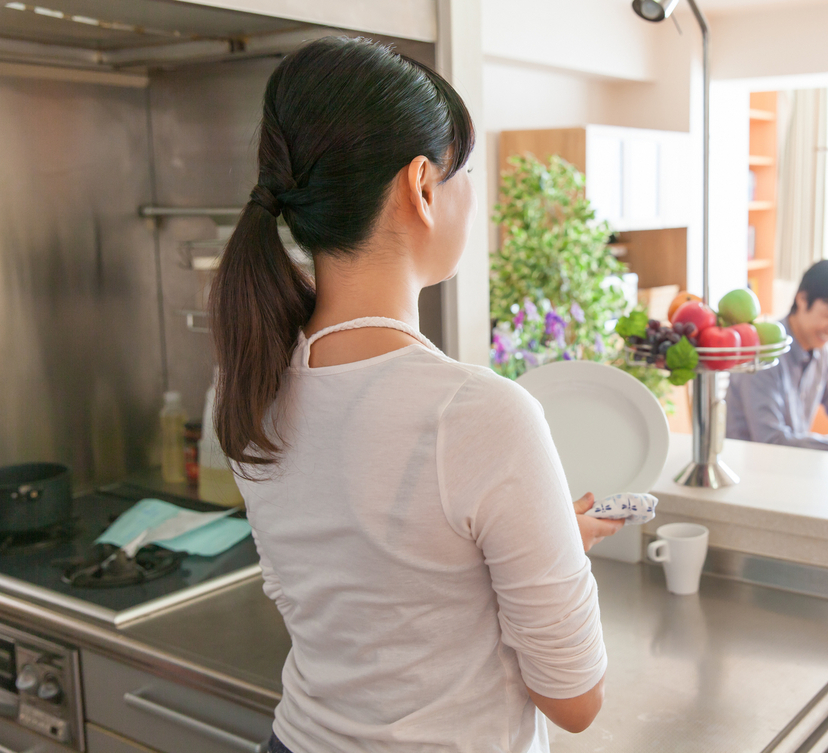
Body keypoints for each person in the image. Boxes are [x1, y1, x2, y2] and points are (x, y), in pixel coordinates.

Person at [209, 38, 621, 753]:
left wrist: (538, 537)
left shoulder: (247, 381)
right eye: (466, 176)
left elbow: (365, 581)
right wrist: (562, 560)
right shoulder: (479, 413)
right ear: (422, 187)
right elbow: (575, 701)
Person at [726, 260, 828, 450]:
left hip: (788, 466)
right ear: (802, 299)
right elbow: (771, 440)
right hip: (750, 467)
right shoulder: (765, 351)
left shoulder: (821, 350)